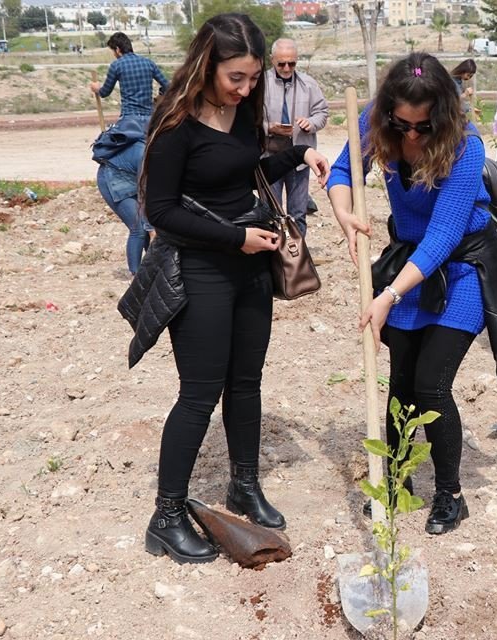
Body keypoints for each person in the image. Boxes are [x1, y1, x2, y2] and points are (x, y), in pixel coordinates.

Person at [137, 13, 331, 564]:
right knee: (199, 394)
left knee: (246, 384)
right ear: (207, 66)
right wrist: (233, 237)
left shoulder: (244, 113)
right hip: (200, 269)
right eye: (236, 79)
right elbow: (162, 211)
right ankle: (167, 515)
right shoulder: (176, 125)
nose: (248, 89)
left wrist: (299, 153)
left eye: (254, 79)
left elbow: (245, 169)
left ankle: (244, 485)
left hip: (251, 267)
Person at [328, 52, 497, 536]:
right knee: (401, 385)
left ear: (441, 115)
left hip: (459, 271)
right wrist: (346, 216)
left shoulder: (466, 146)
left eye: (423, 126)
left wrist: (387, 296)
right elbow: (340, 172)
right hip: (408, 266)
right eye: (403, 125)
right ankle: (396, 481)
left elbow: (443, 234)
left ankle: (450, 496)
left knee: (432, 385)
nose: (412, 136)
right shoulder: (376, 120)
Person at [263, 38, 329, 237]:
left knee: (298, 213)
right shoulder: (260, 84)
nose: (286, 68)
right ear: (271, 59)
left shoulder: (308, 84)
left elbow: (322, 113)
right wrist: (269, 127)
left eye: (291, 63)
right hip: (269, 157)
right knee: (269, 213)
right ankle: (272, 258)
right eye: (281, 63)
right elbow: (248, 118)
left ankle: (298, 260)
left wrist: (311, 123)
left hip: (299, 160)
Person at [94, 119, 153, 275]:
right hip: (111, 177)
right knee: (139, 228)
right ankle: (136, 275)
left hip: (128, 175)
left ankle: (152, 270)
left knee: (148, 228)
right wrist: (152, 228)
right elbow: (145, 193)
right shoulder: (146, 155)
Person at [89, 32, 169, 120]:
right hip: (148, 117)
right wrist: (160, 94)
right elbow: (168, 86)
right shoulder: (149, 63)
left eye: (113, 51)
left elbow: (105, 93)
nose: (114, 55)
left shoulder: (116, 65)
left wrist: (97, 88)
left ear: (118, 49)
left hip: (128, 117)